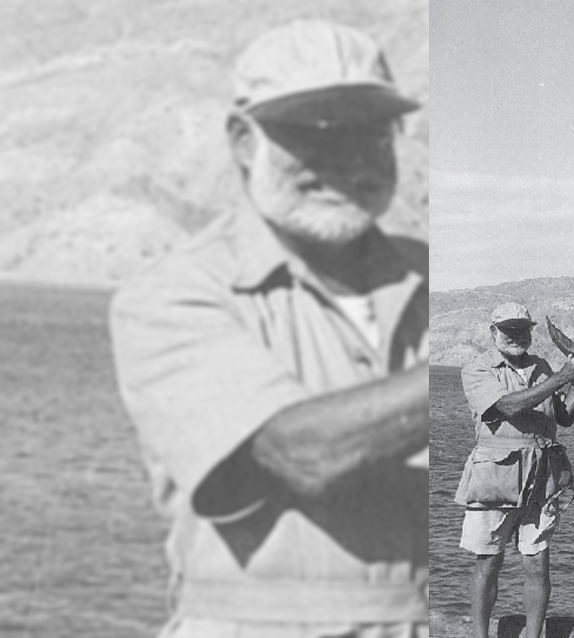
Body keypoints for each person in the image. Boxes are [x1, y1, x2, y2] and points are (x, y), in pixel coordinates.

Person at [110, 20, 430, 638]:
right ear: (240, 140)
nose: (344, 161)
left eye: (367, 131)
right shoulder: (172, 294)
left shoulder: (425, 273)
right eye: (309, 133)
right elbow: (300, 451)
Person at [456, 303, 574, 638]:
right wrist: (561, 376)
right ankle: (480, 635)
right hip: (494, 479)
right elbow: (508, 406)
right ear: (493, 333)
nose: (517, 336)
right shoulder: (478, 369)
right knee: (488, 562)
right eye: (509, 330)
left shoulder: (541, 366)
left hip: (541, 479)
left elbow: (563, 417)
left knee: (537, 563)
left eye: (523, 330)